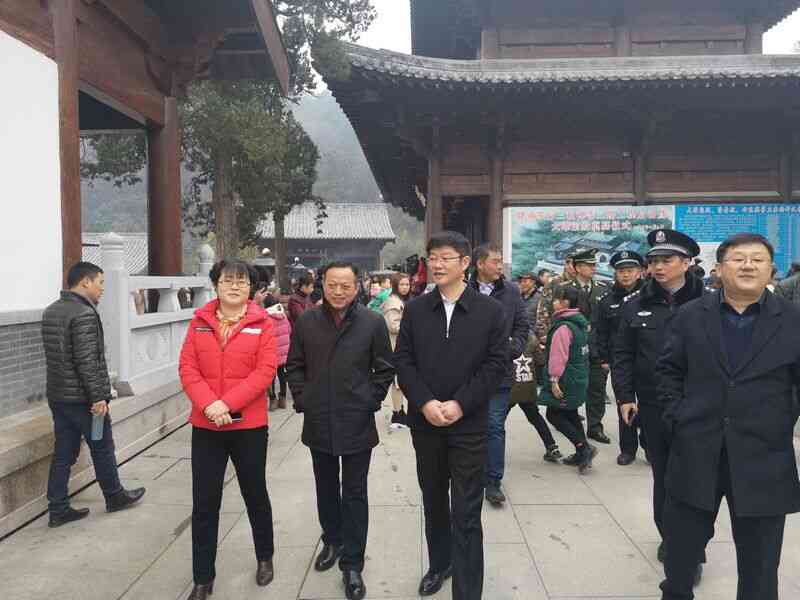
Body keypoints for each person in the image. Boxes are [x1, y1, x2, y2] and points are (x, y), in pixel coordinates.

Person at [657, 233, 800, 600]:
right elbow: (669, 370)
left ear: (771, 270)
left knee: (760, 569)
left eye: (757, 259)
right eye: (738, 259)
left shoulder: (793, 320)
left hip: (763, 459)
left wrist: (781, 423)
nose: (748, 266)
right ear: (719, 269)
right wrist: (678, 417)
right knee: (679, 560)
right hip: (696, 453)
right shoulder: (690, 315)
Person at [394, 231, 506, 600]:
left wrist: (460, 403)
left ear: (465, 263)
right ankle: (440, 564)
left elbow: (495, 365)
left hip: (469, 425)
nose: (437, 264)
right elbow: (403, 361)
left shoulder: (489, 311)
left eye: (446, 257)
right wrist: (425, 402)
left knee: (467, 509)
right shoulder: (415, 310)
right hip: (425, 424)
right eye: (433, 257)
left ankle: (468, 590)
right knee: (433, 499)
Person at [286, 261, 394, 600]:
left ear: (357, 286)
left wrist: (370, 400)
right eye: (332, 284)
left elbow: (384, 368)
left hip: (356, 420)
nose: (338, 291)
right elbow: (294, 365)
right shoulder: (307, 321)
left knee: (355, 492)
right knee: (326, 486)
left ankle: (353, 563)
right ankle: (332, 540)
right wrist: (303, 398)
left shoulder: (372, 322)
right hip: (319, 418)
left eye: (346, 285)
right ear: (323, 284)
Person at [612, 228, 708, 582]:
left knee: (698, 479)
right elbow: (623, 354)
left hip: (700, 407)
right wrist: (625, 397)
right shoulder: (636, 304)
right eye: (654, 261)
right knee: (663, 476)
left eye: (667, 260)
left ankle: (693, 549)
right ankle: (672, 539)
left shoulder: (710, 303)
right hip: (654, 407)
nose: (659, 267)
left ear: (687, 262)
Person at [179, 260, 278, 600]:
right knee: (205, 503)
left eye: (242, 281)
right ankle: (202, 577)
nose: (234, 286)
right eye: (227, 280)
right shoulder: (199, 323)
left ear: (251, 288)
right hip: (206, 426)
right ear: (216, 285)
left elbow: (265, 372)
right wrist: (210, 404)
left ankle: (265, 557)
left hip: (248, 427)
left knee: (255, 494)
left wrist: (227, 404)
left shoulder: (263, 324)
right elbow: (187, 368)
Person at [41, 262, 146, 528]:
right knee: (102, 447)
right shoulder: (83, 313)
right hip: (83, 400)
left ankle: (58, 508)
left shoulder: (51, 310)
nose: (102, 289)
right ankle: (115, 496)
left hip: (59, 397)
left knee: (64, 453)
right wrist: (98, 397)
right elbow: (86, 361)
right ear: (85, 282)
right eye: (100, 282)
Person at [467, 244, 529, 506]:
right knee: (469, 426)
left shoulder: (511, 291)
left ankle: (493, 480)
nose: (500, 265)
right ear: (480, 264)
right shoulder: (463, 289)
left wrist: (512, 349)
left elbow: (522, 324)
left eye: (501, 260)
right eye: (495, 261)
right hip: (468, 373)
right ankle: (469, 474)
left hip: (500, 372)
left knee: (494, 426)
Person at [593, 250, 646, 465]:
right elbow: (601, 331)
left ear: (640, 272)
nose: (625, 274)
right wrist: (603, 358)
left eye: (630, 270)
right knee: (625, 402)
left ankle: (650, 444)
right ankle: (628, 449)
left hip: (648, 359)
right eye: (621, 271)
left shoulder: (651, 296)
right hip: (620, 361)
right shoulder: (607, 300)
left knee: (651, 404)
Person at [538, 284, 596, 473]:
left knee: (554, 415)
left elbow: (558, 356)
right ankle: (582, 451)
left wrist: (554, 380)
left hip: (565, 379)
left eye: (556, 299)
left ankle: (583, 448)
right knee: (570, 413)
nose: (553, 302)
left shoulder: (563, 327)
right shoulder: (579, 323)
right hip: (577, 376)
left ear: (565, 302)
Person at [566, 249, 610, 444]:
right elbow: (553, 315)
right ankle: (571, 423)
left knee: (597, 389)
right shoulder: (563, 288)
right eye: (589, 265)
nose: (593, 268)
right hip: (572, 348)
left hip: (597, 348)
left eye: (594, 265)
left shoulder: (604, 288)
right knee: (572, 387)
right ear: (577, 268)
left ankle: (595, 427)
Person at [382, 272, 412, 429]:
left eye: (407, 284)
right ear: (395, 286)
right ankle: (397, 413)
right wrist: (412, 327)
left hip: (403, 345)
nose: (405, 287)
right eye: (402, 284)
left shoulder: (401, 300)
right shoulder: (393, 302)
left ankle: (400, 412)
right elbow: (393, 326)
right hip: (396, 346)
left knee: (400, 381)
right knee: (397, 382)